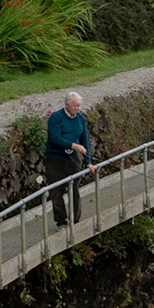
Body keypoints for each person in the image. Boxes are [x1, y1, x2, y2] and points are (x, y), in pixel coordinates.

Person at [46, 91, 92, 227]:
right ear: (67, 105)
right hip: (55, 159)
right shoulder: (56, 118)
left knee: (74, 188)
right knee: (56, 190)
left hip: (73, 159)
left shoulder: (80, 119)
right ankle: (61, 221)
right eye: (75, 106)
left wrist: (88, 162)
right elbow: (55, 138)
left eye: (79, 106)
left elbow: (84, 140)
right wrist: (73, 145)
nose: (77, 108)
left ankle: (75, 220)